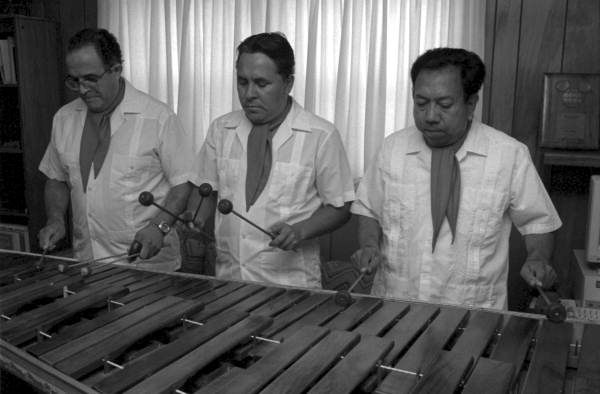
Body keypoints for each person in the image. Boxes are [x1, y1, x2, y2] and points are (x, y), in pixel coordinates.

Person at [351, 47, 562, 309]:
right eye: (420, 103)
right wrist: (369, 245)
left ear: (471, 103)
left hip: (473, 314)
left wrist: (538, 258)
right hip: (395, 305)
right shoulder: (391, 150)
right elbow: (368, 208)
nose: (429, 116)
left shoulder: (508, 156)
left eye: (444, 105)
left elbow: (538, 222)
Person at [189, 32, 354, 288]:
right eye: (242, 82)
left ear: (288, 83)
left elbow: (340, 207)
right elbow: (206, 191)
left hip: (290, 287)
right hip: (228, 279)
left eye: (261, 83)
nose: (249, 94)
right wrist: (196, 218)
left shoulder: (321, 135)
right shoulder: (221, 129)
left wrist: (301, 230)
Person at [38, 28, 194, 271]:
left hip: (148, 267)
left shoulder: (158, 118)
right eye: (74, 80)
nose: (82, 89)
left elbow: (183, 185)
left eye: (90, 78)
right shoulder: (64, 118)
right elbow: (56, 178)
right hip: (87, 261)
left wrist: (159, 227)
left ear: (116, 70)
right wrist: (55, 219)